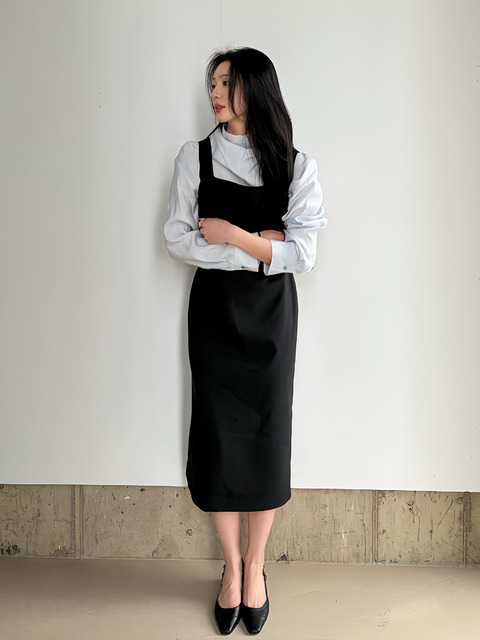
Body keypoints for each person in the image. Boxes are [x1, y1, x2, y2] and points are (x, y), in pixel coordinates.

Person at [164, 47, 326, 636]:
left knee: (266, 436)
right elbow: (177, 239)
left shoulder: (296, 165)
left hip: (271, 320)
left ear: (255, 88)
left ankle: (256, 567)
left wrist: (230, 235)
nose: (214, 93)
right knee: (218, 436)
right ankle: (230, 569)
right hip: (214, 316)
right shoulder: (195, 156)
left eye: (225, 82)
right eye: (212, 83)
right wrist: (262, 246)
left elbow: (303, 254)